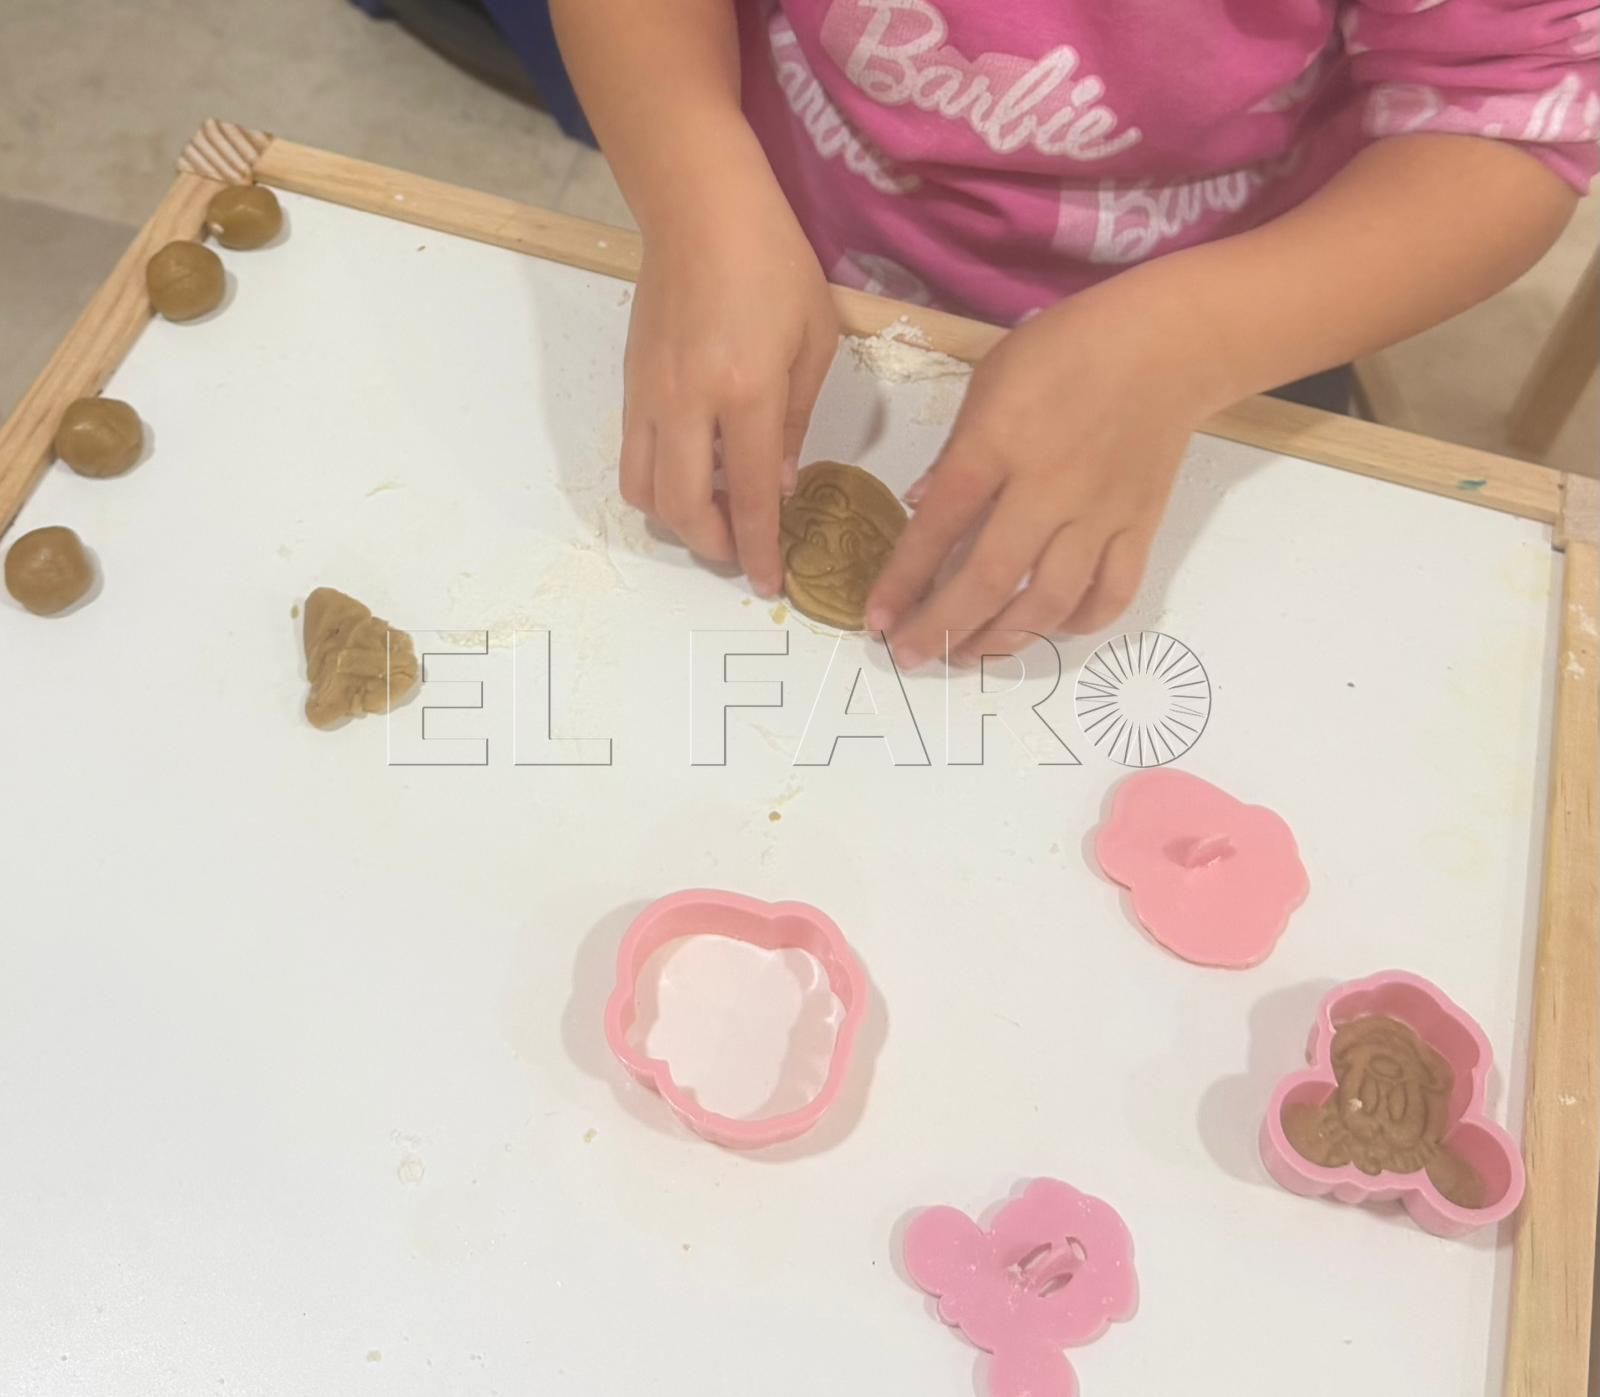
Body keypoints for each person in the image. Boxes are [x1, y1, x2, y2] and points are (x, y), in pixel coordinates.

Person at [550, 0, 1598, 665]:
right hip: (805, 260)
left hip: (1227, 333)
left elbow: (1505, 119)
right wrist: (694, 180)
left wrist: (1197, 339)